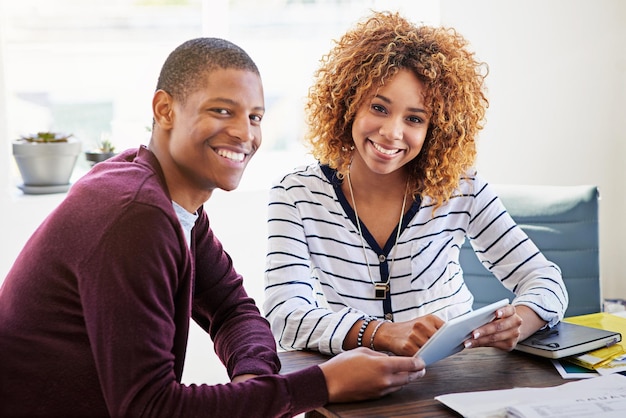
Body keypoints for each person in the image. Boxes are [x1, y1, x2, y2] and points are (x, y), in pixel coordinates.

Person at [0, 37, 426, 418]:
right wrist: (321, 384)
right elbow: (149, 407)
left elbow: (232, 309)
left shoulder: (168, 199)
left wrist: (255, 384)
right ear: (164, 110)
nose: (244, 133)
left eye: (256, 117)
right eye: (222, 111)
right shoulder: (135, 216)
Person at [263, 11, 569, 358]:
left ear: (435, 129)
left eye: (414, 118)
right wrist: (380, 334)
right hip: (352, 384)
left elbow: (545, 279)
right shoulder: (297, 194)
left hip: (453, 377)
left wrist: (522, 320)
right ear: (349, 104)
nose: (392, 132)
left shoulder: (462, 188)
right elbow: (285, 317)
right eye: (379, 107)